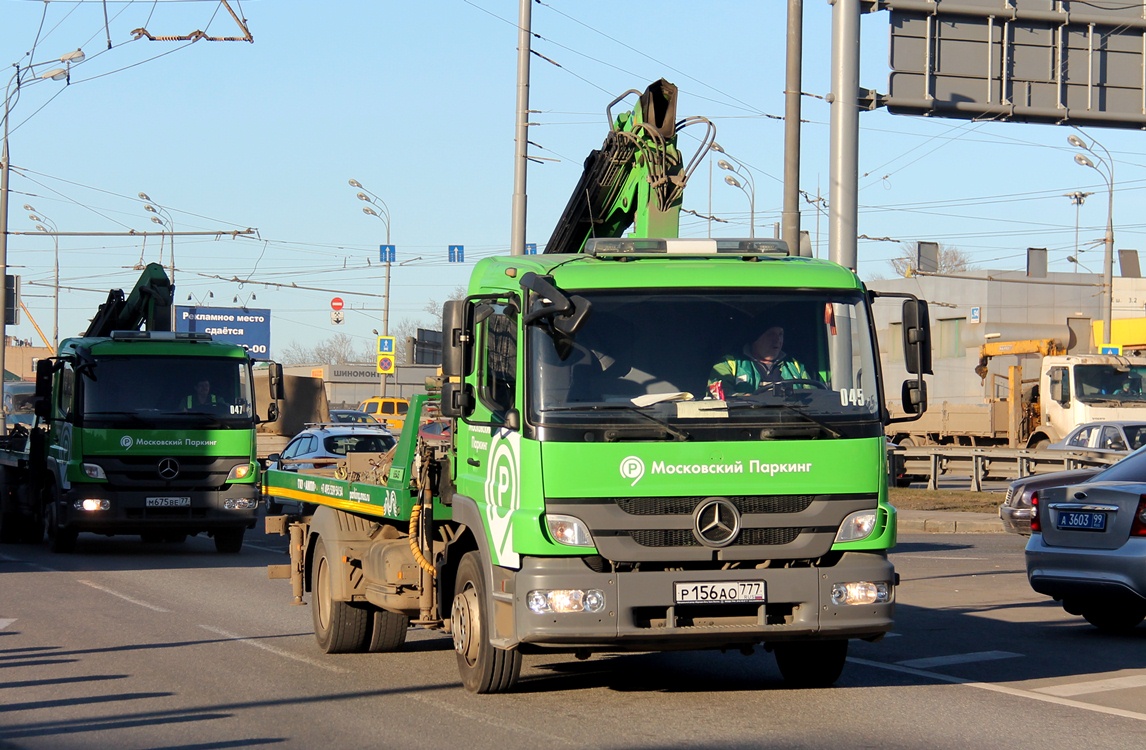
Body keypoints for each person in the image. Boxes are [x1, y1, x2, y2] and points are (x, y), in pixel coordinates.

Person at [706, 324, 814, 400]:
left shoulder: (794, 366)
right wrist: (749, 399)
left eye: (780, 334)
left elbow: (816, 396)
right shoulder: (729, 363)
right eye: (771, 334)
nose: (778, 339)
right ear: (755, 338)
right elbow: (717, 396)